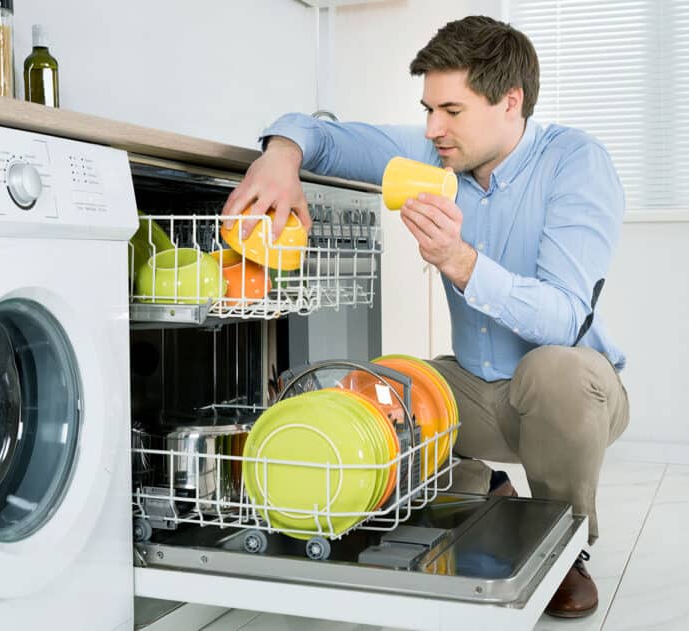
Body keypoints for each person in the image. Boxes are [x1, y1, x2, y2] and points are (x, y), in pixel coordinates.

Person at [221, 15, 630, 619]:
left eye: (452, 110)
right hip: (473, 385)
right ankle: (486, 491)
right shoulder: (435, 156)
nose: (433, 127)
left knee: (555, 370)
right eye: (427, 109)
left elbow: (565, 318)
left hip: (572, 393)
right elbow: (325, 137)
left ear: (510, 102)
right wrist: (279, 157)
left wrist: (462, 262)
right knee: (381, 387)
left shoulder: (575, 162)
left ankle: (562, 546)